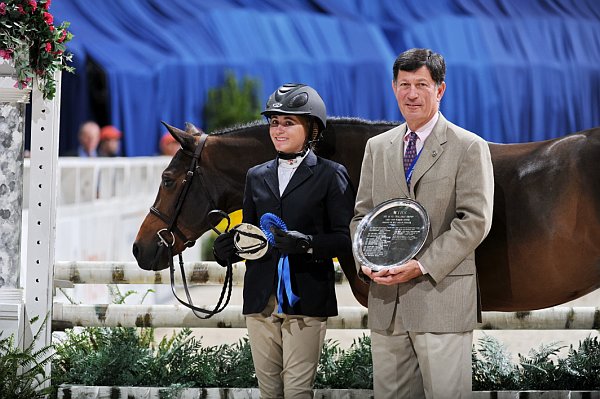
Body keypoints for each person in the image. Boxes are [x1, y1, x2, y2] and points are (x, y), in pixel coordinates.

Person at [350, 48, 494, 398]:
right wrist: (366, 262)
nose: (411, 93)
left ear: (440, 90)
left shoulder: (469, 146)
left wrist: (422, 265)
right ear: (393, 87)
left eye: (421, 84)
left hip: (440, 302)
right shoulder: (377, 147)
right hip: (386, 304)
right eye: (404, 84)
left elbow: (474, 221)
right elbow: (362, 217)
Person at [213, 83, 355, 398]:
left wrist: (306, 244)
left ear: (312, 128)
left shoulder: (332, 175)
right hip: (260, 299)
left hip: (305, 298)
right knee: (268, 392)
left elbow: (345, 240)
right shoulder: (255, 176)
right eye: (274, 122)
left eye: (288, 122)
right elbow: (252, 237)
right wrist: (229, 249)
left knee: (297, 392)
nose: (278, 129)